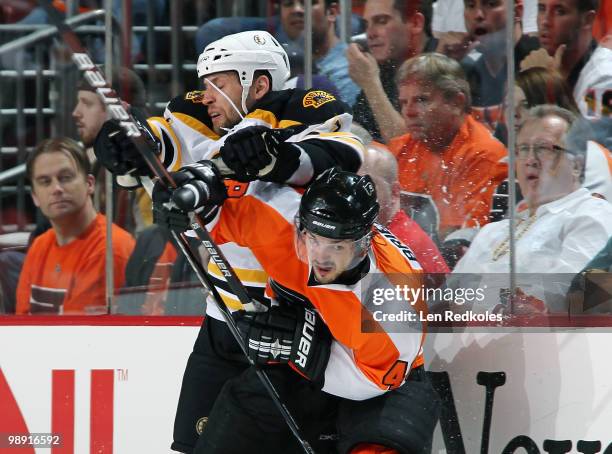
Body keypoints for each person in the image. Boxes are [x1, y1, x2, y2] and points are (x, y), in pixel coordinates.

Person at [93, 30, 364, 452]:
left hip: (293, 327)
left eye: (218, 82)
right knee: (191, 445)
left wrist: (276, 158)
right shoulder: (199, 115)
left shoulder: (306, 108)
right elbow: (161, 141)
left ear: (258, 83)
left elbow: (341, 155)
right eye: (204, 84)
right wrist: (127, 147)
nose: (206, 95)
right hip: (222, 322)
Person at [153, 166, 438, 453]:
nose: (321, 258)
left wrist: (304, 348)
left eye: (336, 246)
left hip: (379, 384)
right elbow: (218, 207)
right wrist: (190, 196)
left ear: (362, 246)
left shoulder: (391, 301)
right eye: (313, 239)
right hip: (297, 368)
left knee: (384, 446)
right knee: (238, 417)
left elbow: (371, 383)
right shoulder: (279, 223)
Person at [452, 105, 612, 313]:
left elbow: (567, 300)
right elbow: (446, 297)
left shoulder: (591, 215)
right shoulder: (494, 231)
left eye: (544, 148)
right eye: (523, 149)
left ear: (576, 165)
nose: (530, 160)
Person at [388, 53, 507, 241]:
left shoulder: (484, 155)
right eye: (404, 103)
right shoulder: (399, 149)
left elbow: (460, 239)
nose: (409, 112)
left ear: (456, 102)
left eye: (421, 100)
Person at [15, 138, 135, 315]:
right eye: (45, 181)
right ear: (34, 196)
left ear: (90, 184)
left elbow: (77, 334)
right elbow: (21, 324)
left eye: (65, 178)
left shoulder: (110, 248)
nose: (56, 188)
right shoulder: (39, 246)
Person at [346, 0, 438, 142]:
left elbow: (413, 148)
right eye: (366, 25)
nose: (370, 34)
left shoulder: (444, 66)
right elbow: (356, 130)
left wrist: (370, 84)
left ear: (416, 23)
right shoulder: (383, 68)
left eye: (381, 21)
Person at [72, 66, 151, 233]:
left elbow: (154, 248)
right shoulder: (96, 161)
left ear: (117, 110)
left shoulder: (144, 165)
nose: (76, 112)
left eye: (86, 103)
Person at [358, 142, 450, 275]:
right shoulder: (378, 232)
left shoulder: (402, 243)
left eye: (369, 185)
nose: (356, 194)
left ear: (395, 192)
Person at [520, 0, 612, 118]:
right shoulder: (538, 62)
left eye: (560, 11)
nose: (545, 21)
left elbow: (588, 135)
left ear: (587, 20)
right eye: (542, 9)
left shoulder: (604, 77)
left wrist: (542, 84)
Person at [460, 0, 539, 131]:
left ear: (517, 12)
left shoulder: (540, 63)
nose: (478, 15)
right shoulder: (467, 69)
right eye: (471, 5)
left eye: (491, 4)